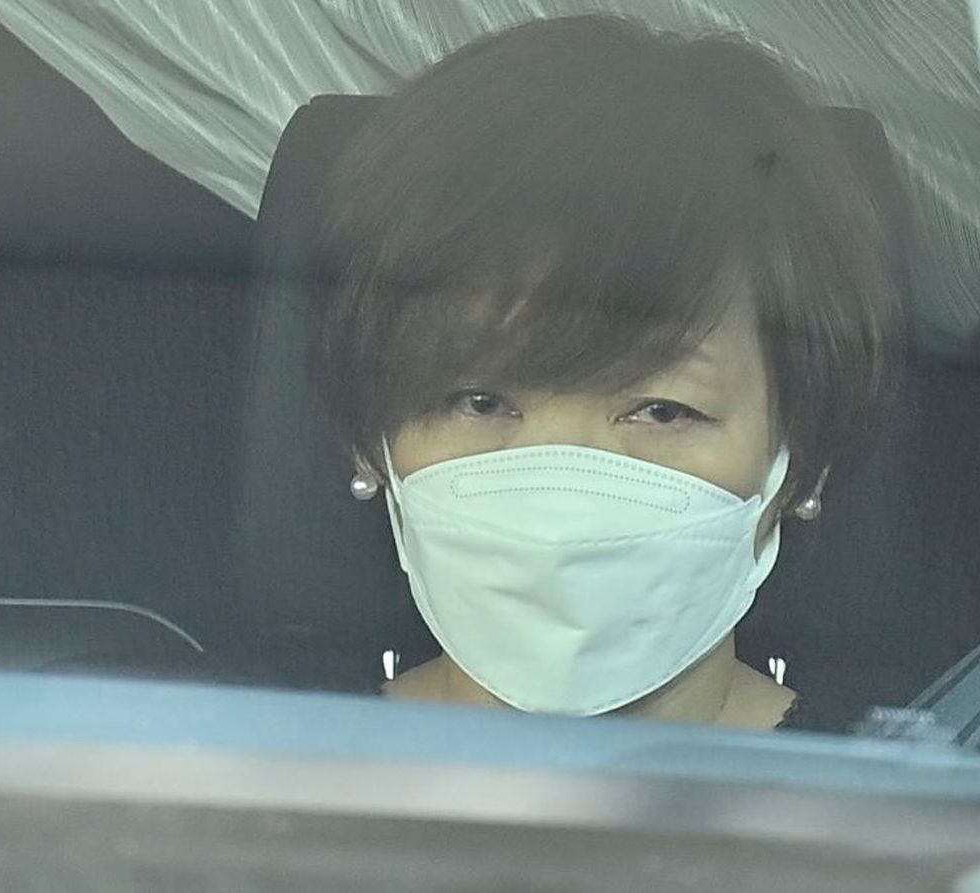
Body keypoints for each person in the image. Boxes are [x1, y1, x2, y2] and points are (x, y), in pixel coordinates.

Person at [310, 15, 905, 730]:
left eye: (663, 409)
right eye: (481, 399)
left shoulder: (942, 791)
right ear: (369, 444)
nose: (561, 508)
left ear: (800, 462)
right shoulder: (230, 765)